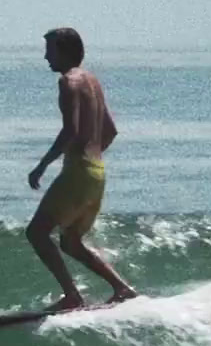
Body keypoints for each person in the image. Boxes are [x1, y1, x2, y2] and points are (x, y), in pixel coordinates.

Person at [26, 27, 138, 311]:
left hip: (78, 173)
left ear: (64, 50)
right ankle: (122, 288)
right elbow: (110, 131)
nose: (45, 57)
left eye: (49, 50)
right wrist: (91, 157)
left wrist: (42, 165)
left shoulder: (68, 82)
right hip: (97, 172)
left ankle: (72, 296)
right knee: (70, 241)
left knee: (37, 233)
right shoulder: (93, 81)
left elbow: (71, 131)